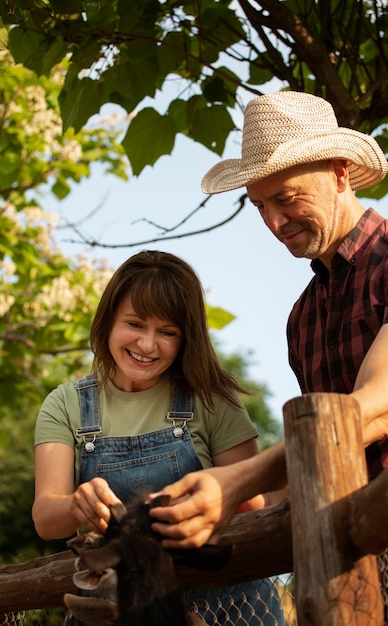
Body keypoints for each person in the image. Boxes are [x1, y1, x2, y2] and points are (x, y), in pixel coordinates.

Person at [147, 91, 388, 614]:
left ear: (340, 171)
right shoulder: (301, 318)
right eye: (260, 206)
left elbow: (373, 408)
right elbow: (316, 457)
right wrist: (195, 519)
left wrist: (235, 479)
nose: (274, 224)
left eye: (288, 198)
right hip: (344, 574)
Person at [32, 250, 284, 625]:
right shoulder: (65, 404)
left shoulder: (212, 400)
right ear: (108, 322)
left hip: (232, 608)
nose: (148, 345)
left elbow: (255, 507)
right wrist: (74, 506)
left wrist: (207, 501)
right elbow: (45, 519)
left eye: (167, 332)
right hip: (120, 608)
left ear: (186, 339)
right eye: (134, 324)